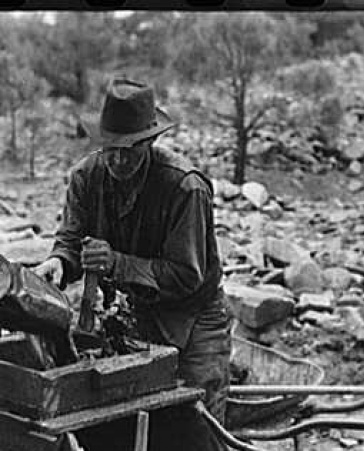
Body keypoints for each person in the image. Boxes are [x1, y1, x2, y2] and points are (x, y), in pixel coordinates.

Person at [34, 78, 232, 423]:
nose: (120, 159)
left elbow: (186, 275)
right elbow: (69, 240)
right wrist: (59, 262)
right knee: (134, 416)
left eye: (132, 148)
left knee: (198, 424)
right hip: (139, 312)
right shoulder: (85, 178)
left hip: (196, 318)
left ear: (151, 141)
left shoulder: (185, 187)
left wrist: (115, 264)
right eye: (112, 147)